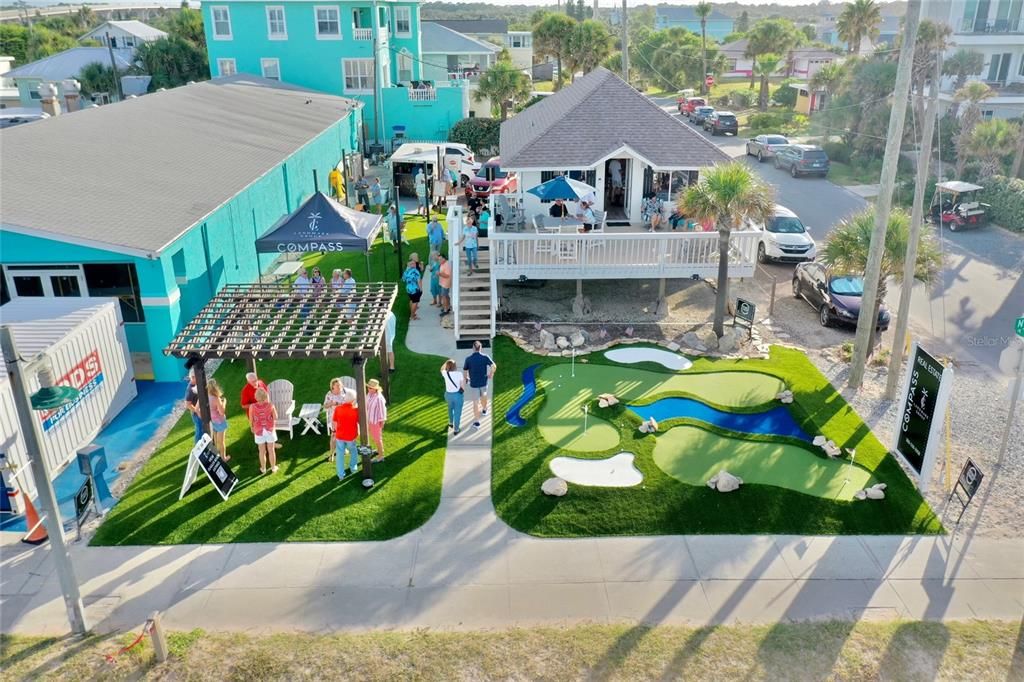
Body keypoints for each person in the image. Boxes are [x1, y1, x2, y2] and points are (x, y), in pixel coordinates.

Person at [462, 340, 495, 429]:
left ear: (473, 348)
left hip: (474, 384)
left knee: (475, 403)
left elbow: (465, 371)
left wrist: (466, 378)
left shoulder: (468, 359)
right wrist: (491, 374)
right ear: (481, 348)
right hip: (484, 382)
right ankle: (484, 409)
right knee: (484, 396)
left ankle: (477, 422)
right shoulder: (485, 357)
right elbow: (494, 366)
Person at [248, 388, 278, 474]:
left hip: (258, 431)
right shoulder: (271, 405)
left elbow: (251, 419)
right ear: (265, 396)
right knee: (271, 450)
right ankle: (273, 467)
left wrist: (251, 427)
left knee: (261, 451)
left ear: (256, 397)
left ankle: (263, 468)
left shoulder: (252, 407)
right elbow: (275, 417)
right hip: (270, 430)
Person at [331, 388, 360, 478]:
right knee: (353, 451)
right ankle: (353, 468)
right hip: (351, 437)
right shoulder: (356, 411)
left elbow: (334, 422)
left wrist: (335, 431)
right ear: (353, 400)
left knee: (340, 455)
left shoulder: (338, 409)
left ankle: (340, 474)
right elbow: (358, 422)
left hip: (340, 436)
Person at [323, 377, 347, 462]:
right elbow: (325, 406)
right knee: (334, 437)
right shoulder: (329, 394)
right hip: (333, 419)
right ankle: (331, 454)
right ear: (333, 386)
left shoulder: (344, 393)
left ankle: (343, 449)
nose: (340, 387)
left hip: (344, 418)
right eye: (338, 385)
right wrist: (332, 403)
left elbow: (348, 403)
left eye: (340, 385)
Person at [441, 359, 466, 435]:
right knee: (457, 412)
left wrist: (446, 363)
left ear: (447, 366)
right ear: (455, 366)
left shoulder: (445, 373)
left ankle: (451, 423)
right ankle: (456, 429)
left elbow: (441, 369)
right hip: (457, 395)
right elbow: (462, 387)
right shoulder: (459, 374)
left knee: (450, 408)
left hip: (448, 395)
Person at [366, 378, 387, 463]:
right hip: (370, 420)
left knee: (377, 438)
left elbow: (383, 410)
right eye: (368, 387)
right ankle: (379, 450)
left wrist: (382, 421)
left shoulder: (379, 398)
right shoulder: (369, 394)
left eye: (370, 388)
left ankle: (381, 456)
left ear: (375, 388)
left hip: (375, 422)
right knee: (375, 437)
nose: (369, 389)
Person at [208, 378, 229, 461]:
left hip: (213, 421)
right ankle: (223, 458)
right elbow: (222, 412)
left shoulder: (206, 396)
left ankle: (216, 455)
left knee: (216, 440)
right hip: (220, 421)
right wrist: (224, 402)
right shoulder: (216, 398)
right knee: (221, 441)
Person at [183, 371, 203, 443]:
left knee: (202, 429)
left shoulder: (196, 384)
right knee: (199, 430)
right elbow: (188, 404)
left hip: (200, 411)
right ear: (193, 378)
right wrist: (197, 411)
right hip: (196, 414)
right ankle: (197, 447)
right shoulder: (190, 390)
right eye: (197, 377)